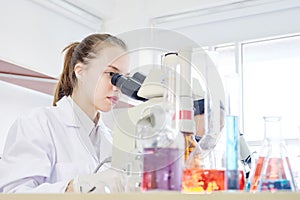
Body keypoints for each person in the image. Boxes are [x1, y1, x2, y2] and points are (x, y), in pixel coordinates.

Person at [0, 33, 130, 193]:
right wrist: (73, 188)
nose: (118, 87)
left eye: (125, 79)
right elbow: (13, 194)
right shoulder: (38, 123)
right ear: (80, 71)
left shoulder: (112, 140)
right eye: (112, 74)